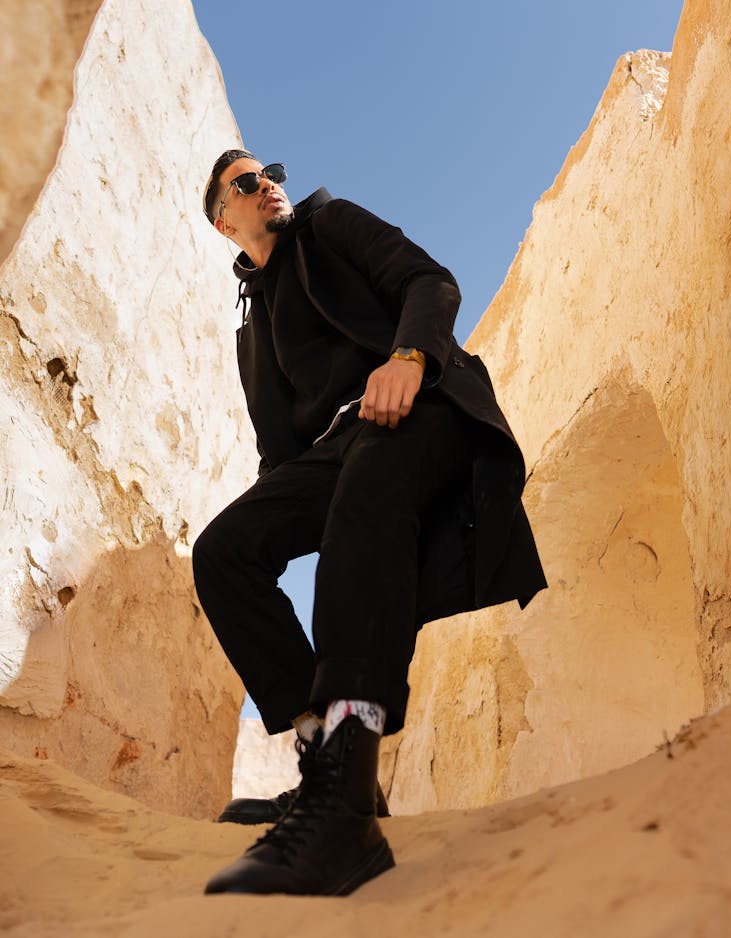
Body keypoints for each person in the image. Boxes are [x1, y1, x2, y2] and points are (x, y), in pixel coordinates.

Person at [193, 149, 547, 896]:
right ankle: (329, 757)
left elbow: (431, 281)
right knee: (223, 551)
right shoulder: (252, 330)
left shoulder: (331, 226)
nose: (271, 187)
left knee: (368, 482)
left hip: (423, 407)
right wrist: (275, 520)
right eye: (249, 183)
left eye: (272, 173)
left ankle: (344, 816)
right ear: (226, 221)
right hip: (337, 452)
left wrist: (410, 358)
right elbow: (278, 453)